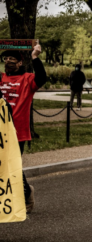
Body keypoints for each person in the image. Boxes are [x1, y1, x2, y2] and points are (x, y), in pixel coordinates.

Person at [0, 45, 46, 213]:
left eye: (12, 60)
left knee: (13, 166)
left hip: (18, 132)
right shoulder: (1, 77)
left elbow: (41, 78)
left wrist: (35, 56)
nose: (9, 62)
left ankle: (26, 193)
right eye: (6, 60)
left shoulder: (27, 79)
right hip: (0, 131)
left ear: (20, 63)